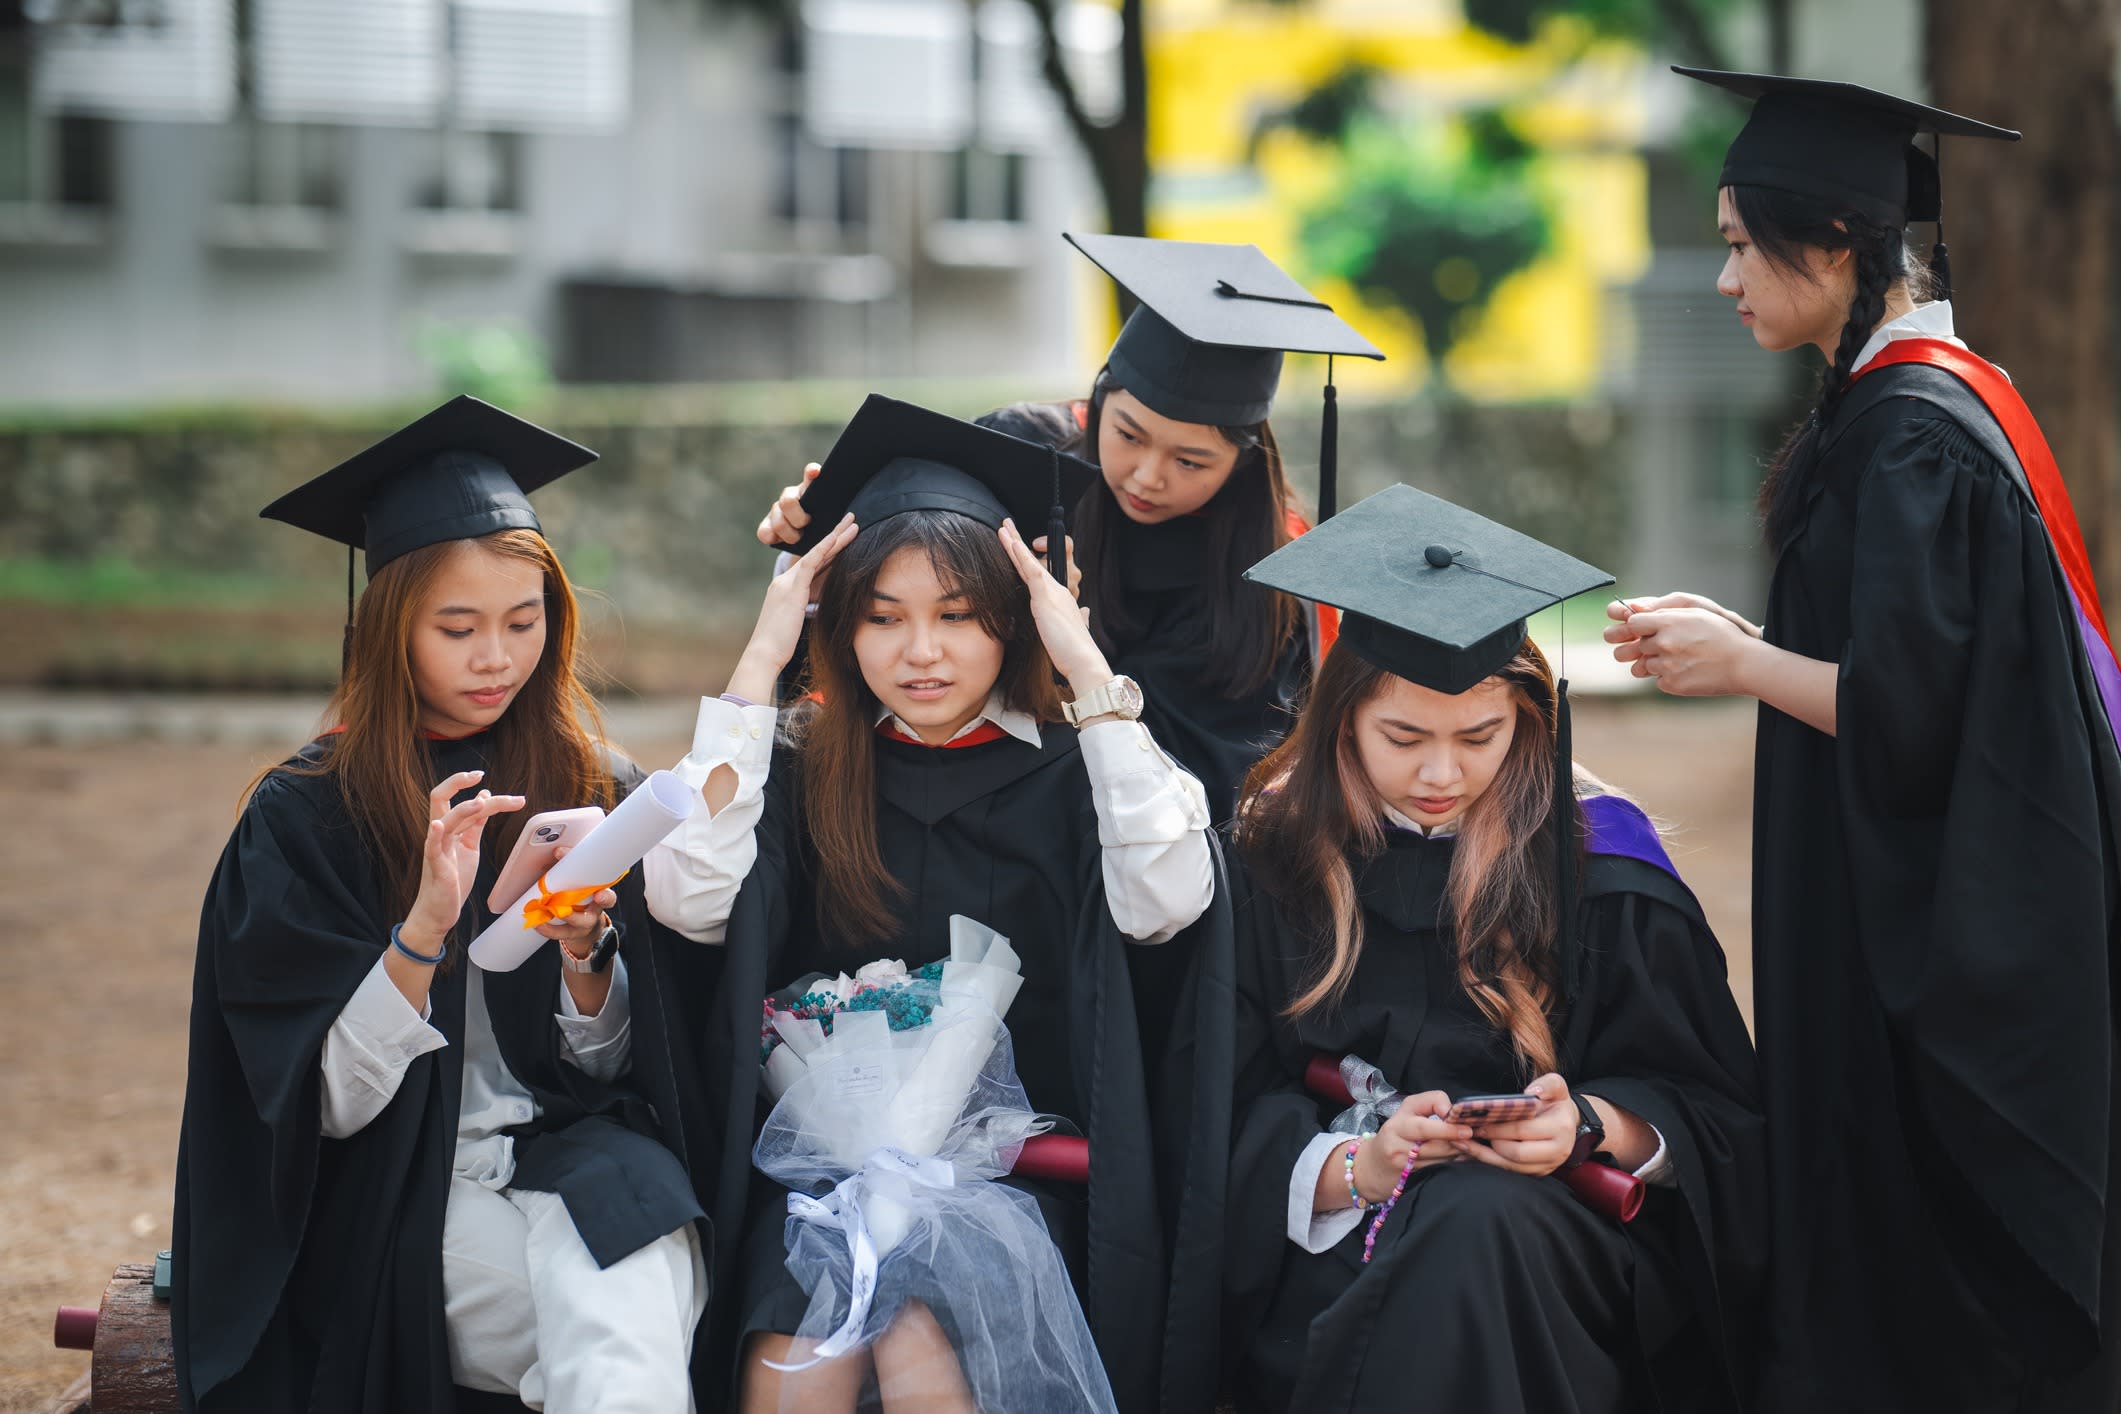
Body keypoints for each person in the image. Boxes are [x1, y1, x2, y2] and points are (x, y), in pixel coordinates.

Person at [1606, 68, 2121, 1410]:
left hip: (1931, 926)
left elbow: (1914, 711)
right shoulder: (1945, 401)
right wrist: (1748, 644)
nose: (1725, 280)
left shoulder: (1909, 437)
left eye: (1737, 243)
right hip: (1932, 878)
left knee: (1909, 1239)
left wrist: (1738, 663)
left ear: (1833, 242)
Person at [644, 395, 1234, 1412]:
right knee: (802, 1339)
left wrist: (1082, 660)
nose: (923, 652)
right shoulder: (794, 766)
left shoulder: (1080, 774)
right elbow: (687, 900)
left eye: (960, 615)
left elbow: (1169, 902)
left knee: (920, 1331)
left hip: (1023, 1182)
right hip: (820, 1184)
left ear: (1014, 616)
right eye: (884, 617)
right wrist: (760, 655)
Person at [173, 398, 716, 1413]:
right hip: (403, 1193)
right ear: (388, 629)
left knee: (624, 1314)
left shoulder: (589, 780)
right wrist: (423, 928)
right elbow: (321, 1108)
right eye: (457, 627)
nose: (496, 658)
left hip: (577, 1159)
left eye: (524, 621)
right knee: (616, 1358)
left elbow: (622, 1073)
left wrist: (586, 958)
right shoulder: (308, 819)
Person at [1226, 485, 1766, 1413]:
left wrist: (1589, 1125)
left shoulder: (1599, 870)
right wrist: (1358, 1166)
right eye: (1402, 737)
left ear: (1529, 720)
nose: (1442, 775)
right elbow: (1210, 1106)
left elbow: (1717, 1119)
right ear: (1340, 722)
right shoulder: (1270, 865)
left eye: (1480, 736)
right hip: (1331, 1244)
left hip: (1545, 1259)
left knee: (1478, 1224)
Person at [756, 236, 1384, 820]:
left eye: (1190, 461)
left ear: (1244, 461)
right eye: (1128, 435)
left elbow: (1245, 753)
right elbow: (895, 595)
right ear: (1101, 400)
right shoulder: (1021, 454)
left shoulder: (1271, 557)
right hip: (988, 803)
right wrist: (812, 539)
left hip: (1172, 829)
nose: (1146, 475)